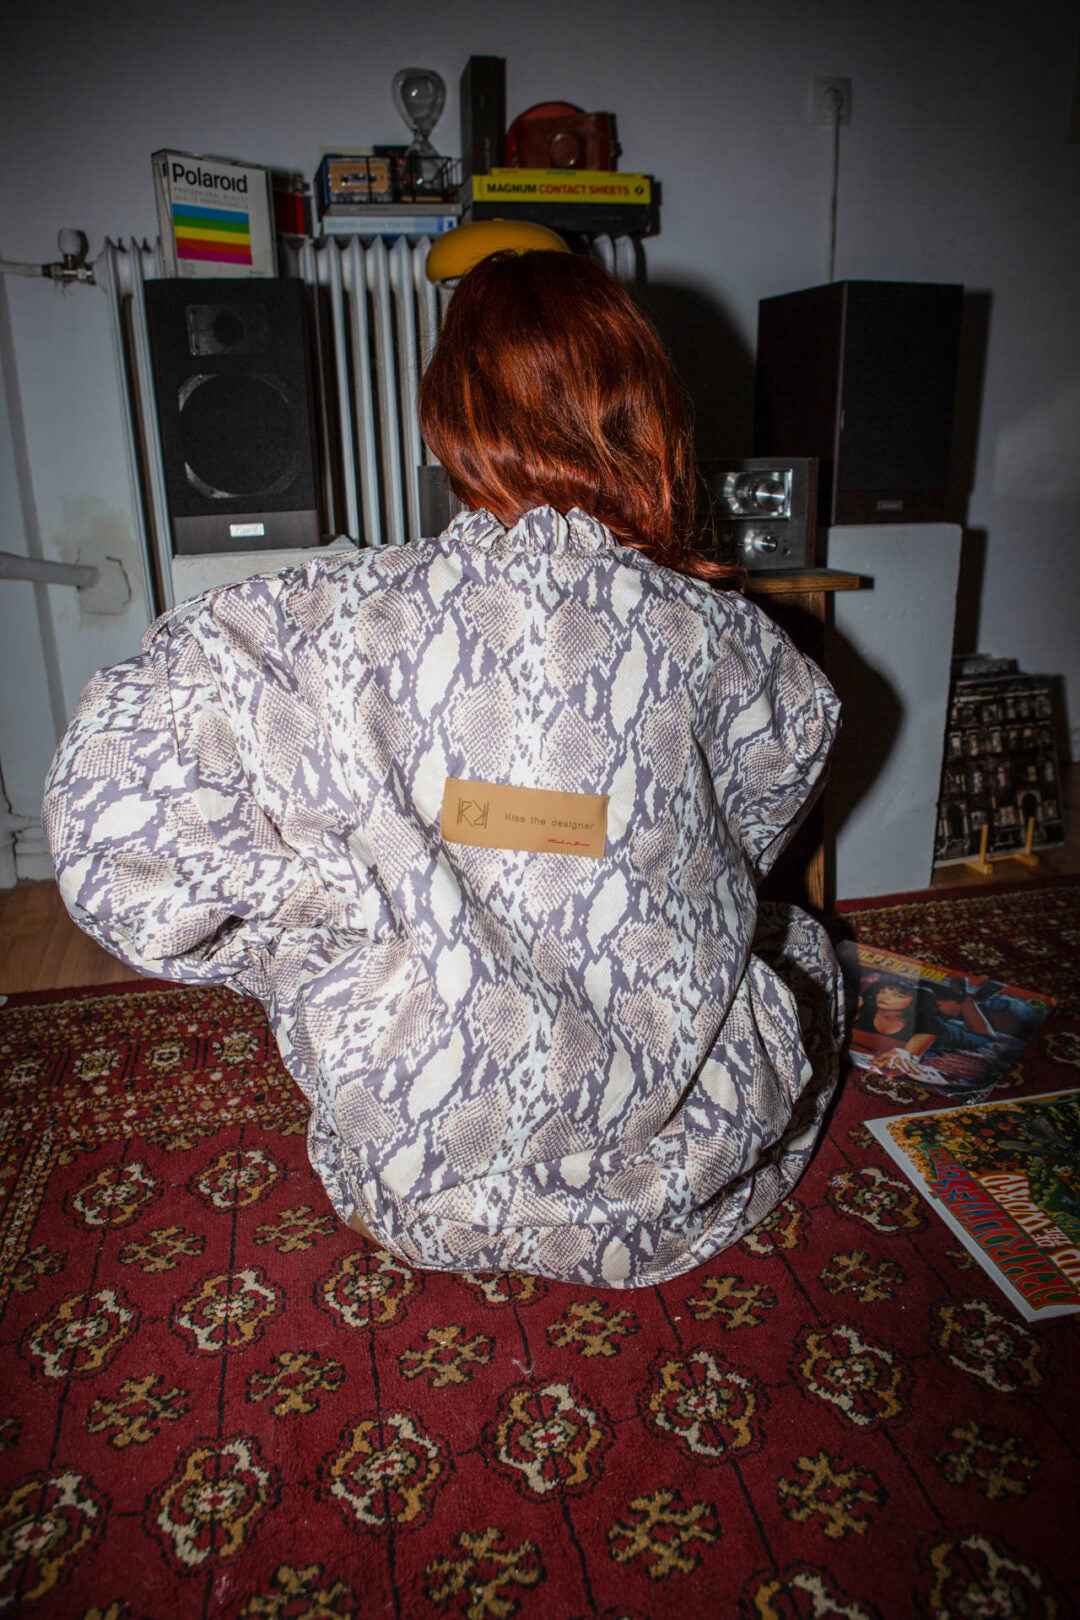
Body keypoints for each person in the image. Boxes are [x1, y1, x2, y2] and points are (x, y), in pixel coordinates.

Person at [43, 250, 842, 1287]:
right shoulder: (732, 644)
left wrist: (314, 923)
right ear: (651, 421)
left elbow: (107, 821)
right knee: (799, 953)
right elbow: (763, 816)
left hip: (417, 1172)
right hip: (670, 1171)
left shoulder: (327, 619)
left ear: (447, 421)